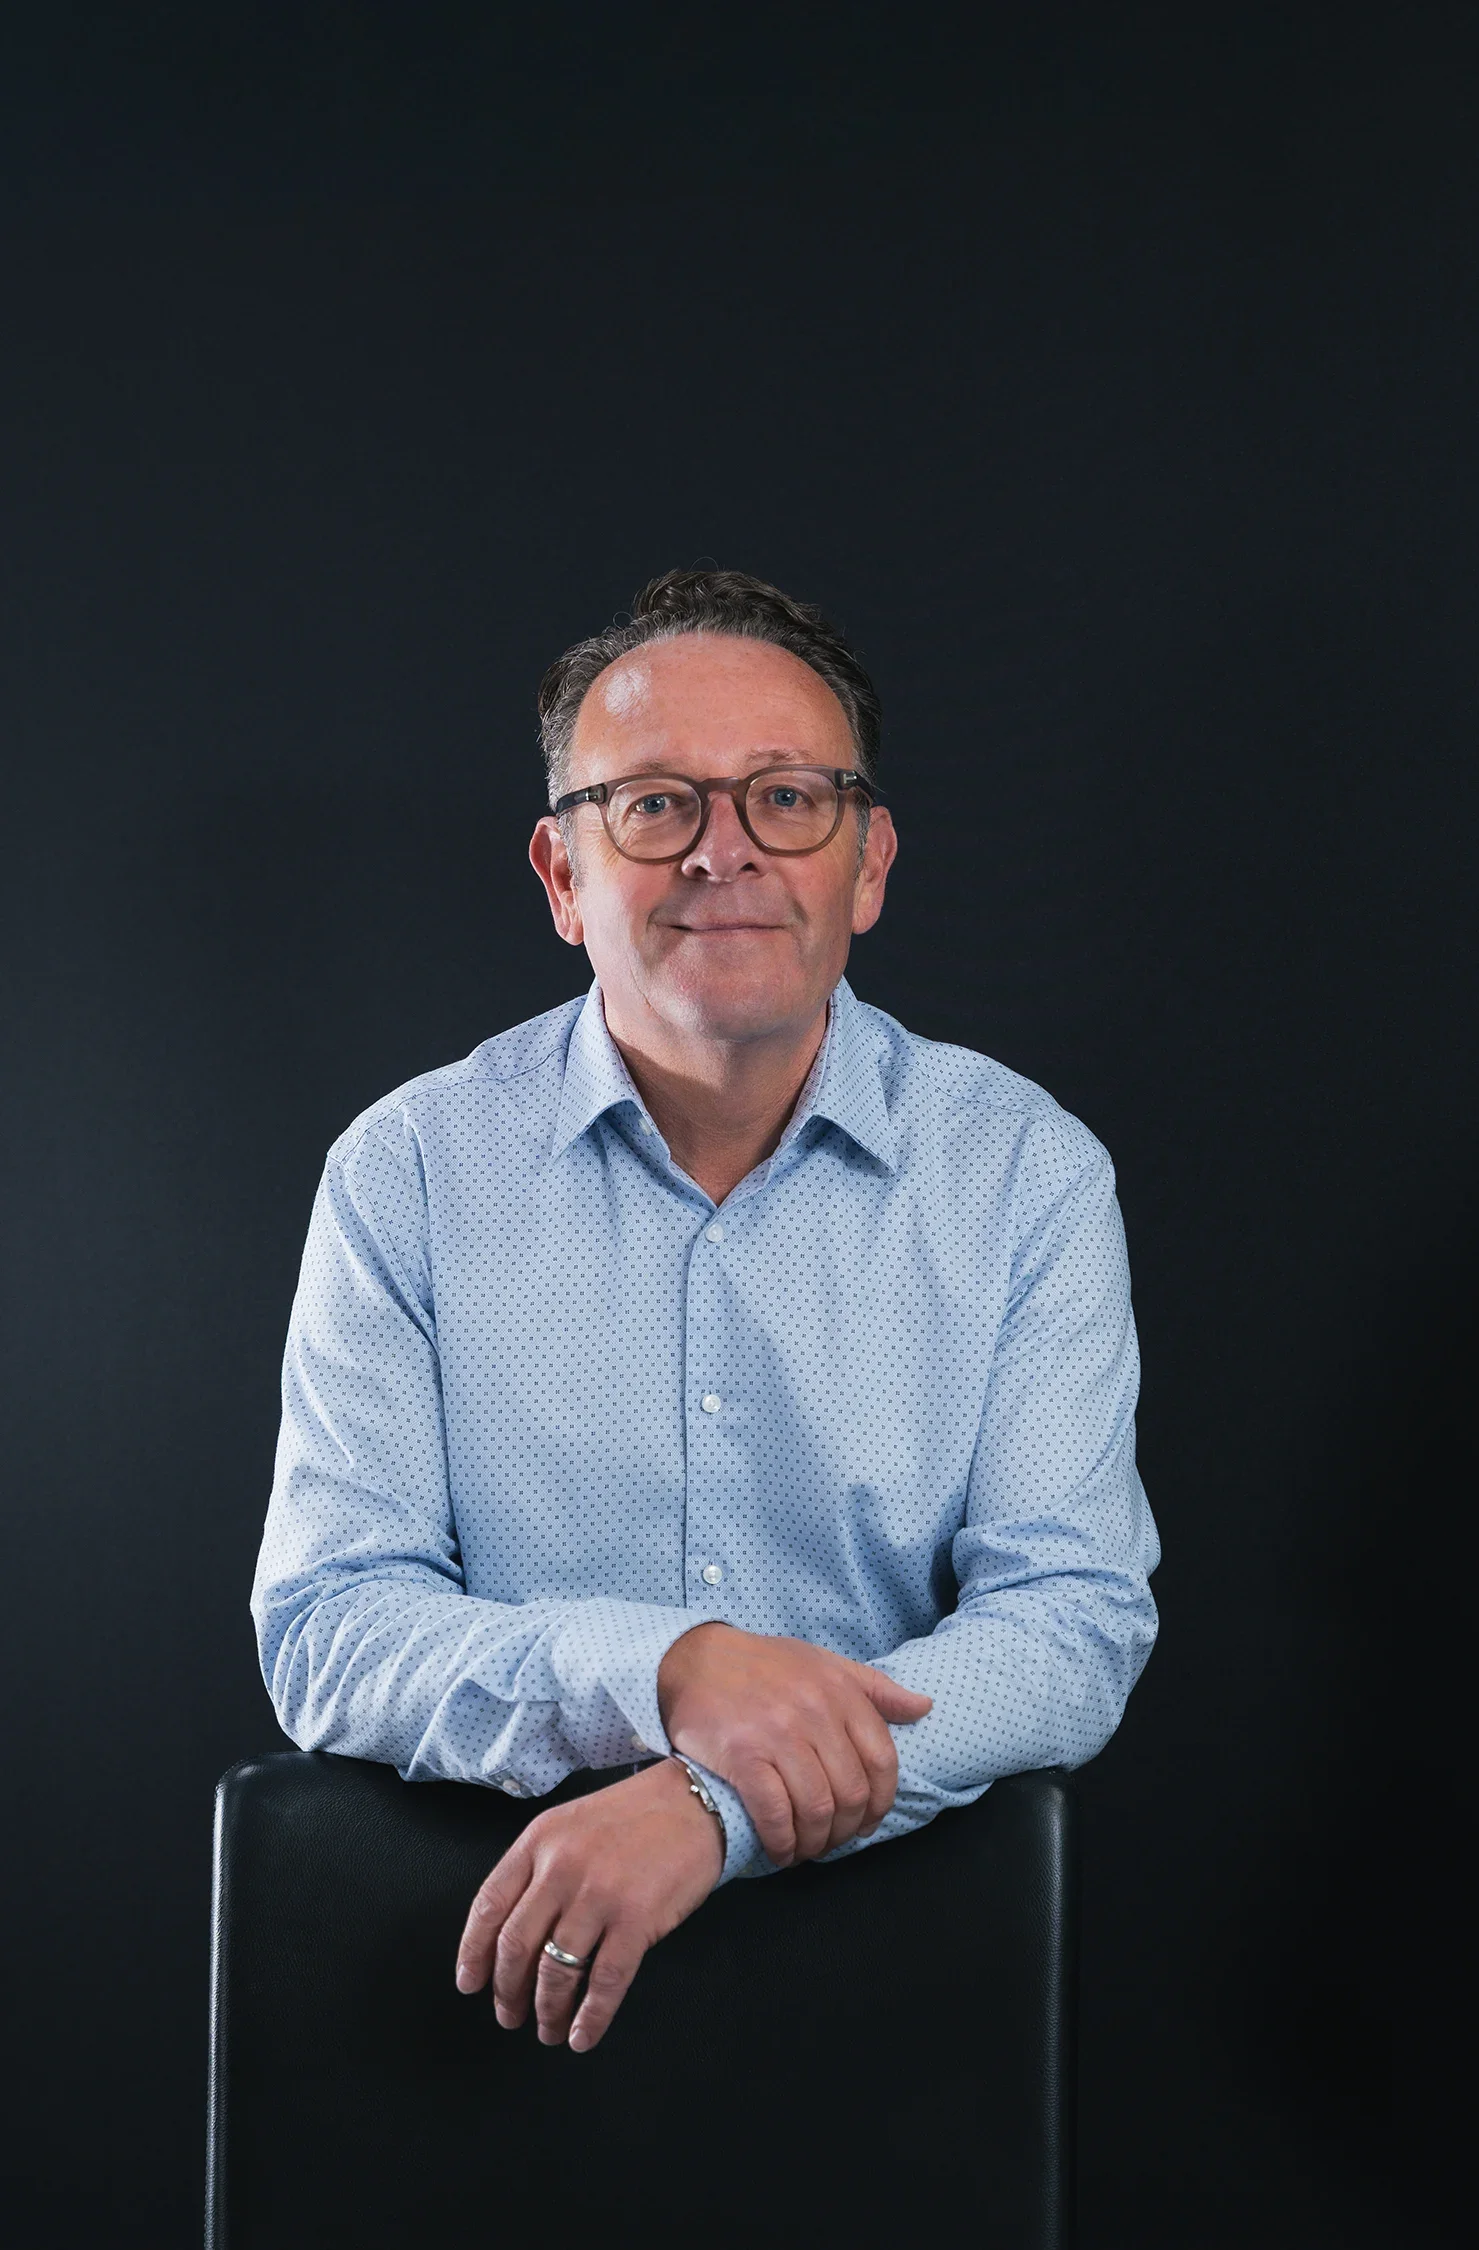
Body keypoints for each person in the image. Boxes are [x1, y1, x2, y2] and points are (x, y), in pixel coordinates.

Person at [252, 567, 1160, 2055]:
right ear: (563, 876)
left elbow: (1069, 1623)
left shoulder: (1024, 1172)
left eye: (787, 799)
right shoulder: (407, 1172)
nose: (722, 853)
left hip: (908, 1983)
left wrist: (709, 1802)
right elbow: (329, 1628)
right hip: (475, 1971)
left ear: (866, 866)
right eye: (656, 804)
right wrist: (665, 1668)